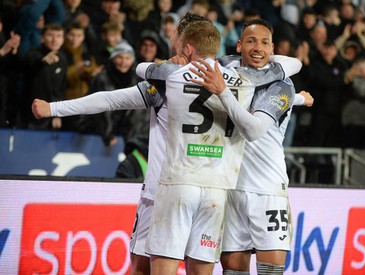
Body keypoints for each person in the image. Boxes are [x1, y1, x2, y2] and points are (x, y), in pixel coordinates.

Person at [31, 13, 303, 275]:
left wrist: (54, 108)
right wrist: (298, 98)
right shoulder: (241, 82)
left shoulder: (170, 78)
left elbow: (112, 99)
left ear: (186, 46)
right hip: (216, 192)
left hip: (172, 186)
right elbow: (285, 70)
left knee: (148, 268)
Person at [134, 19, 300, 274]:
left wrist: (296, 98)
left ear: (273, 48)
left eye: (265, 43)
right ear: (238, 45)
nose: (258, 47)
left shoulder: (282, 82)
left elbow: (256, 126)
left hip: (268, 188)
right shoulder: (222, 70)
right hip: (228, 187)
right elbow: (168, 71)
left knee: (271, 270)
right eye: (251, 41)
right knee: (233, 268)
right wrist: (172, 64)